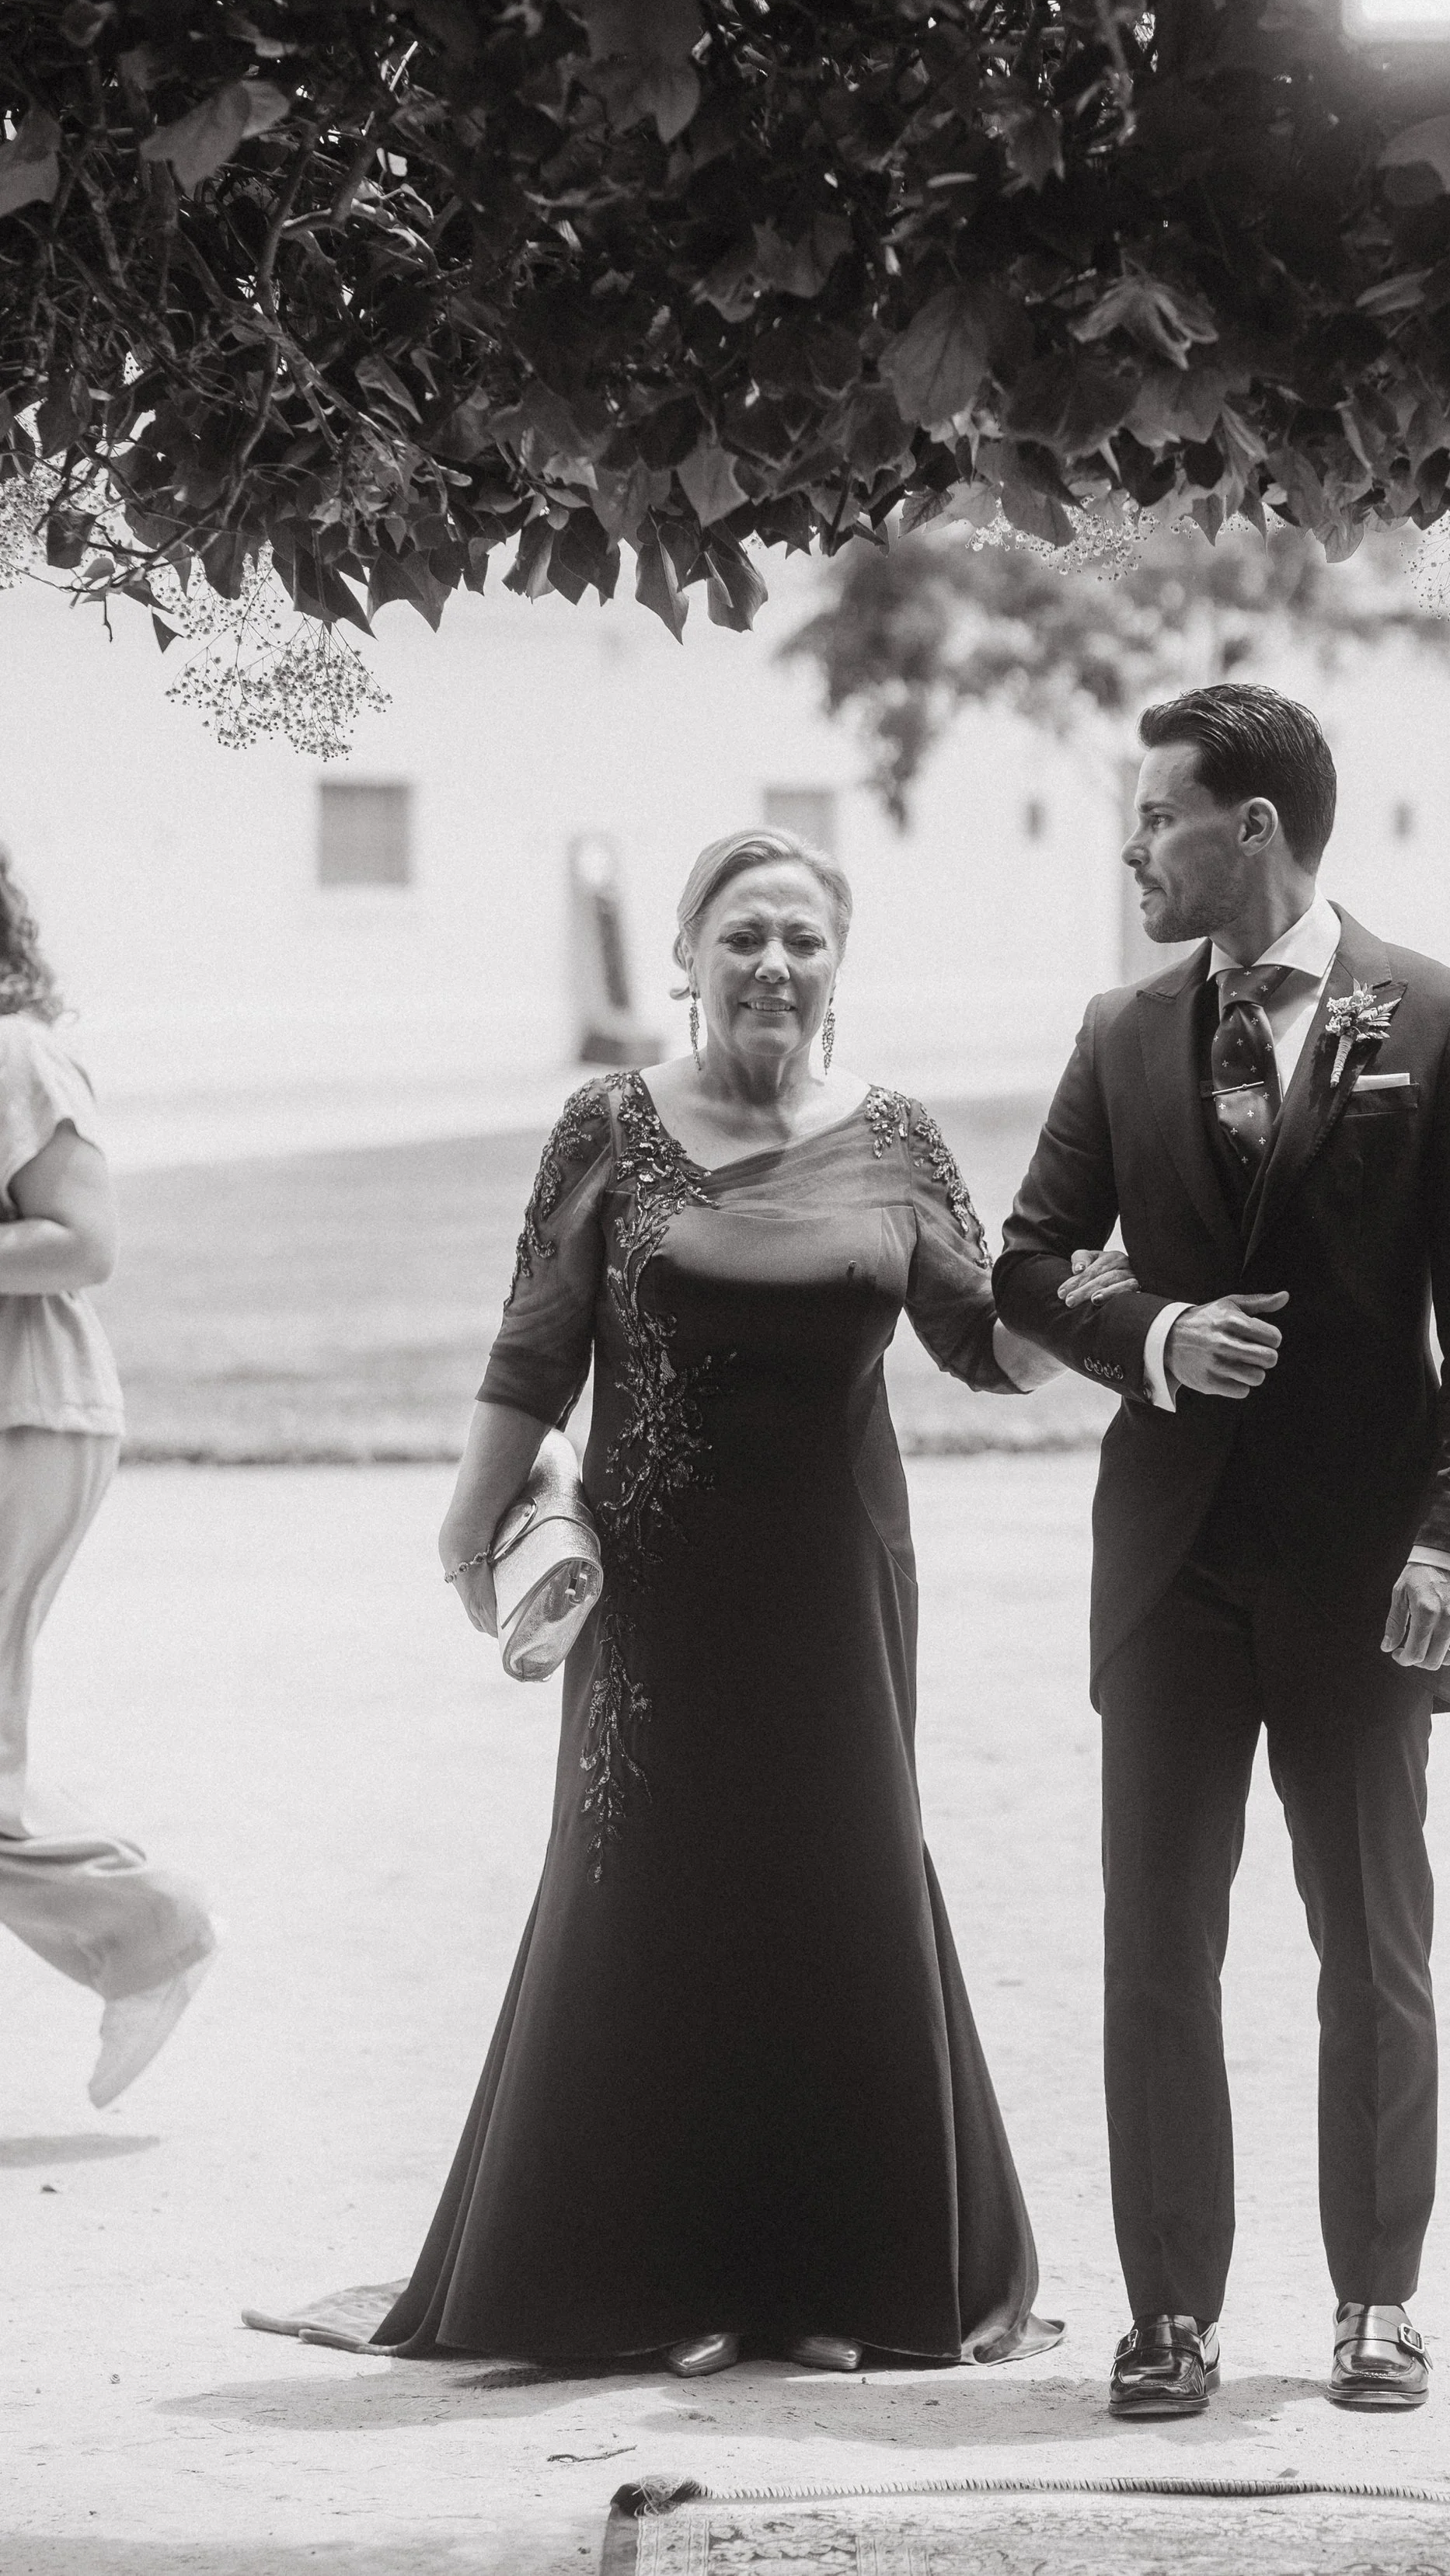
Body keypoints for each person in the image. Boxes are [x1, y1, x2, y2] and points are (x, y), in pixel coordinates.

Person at [364, 827, 1063, 2368]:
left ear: (838, 967)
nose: (772, 964)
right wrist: (466, 1532)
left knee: (835, 1884)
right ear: (685, 957)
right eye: (740, 935)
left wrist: (1107, 1291)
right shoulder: (607, 1123)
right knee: (653, 1900)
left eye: (802, 940)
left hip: (836, 1581)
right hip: (657, 1592)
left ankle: (836, 2285)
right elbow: (532, 1349)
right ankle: (649, 2284)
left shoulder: (896, 1139)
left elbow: (987, 1346)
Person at [992, 683, 1450, 2421]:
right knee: (1155, 1945)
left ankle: (1375, 2304)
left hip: (1370, 1569)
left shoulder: (1441, 1021)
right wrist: (1151, 1334)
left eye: (1157, 815)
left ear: (1252, 830)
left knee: (1369, 1943)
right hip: (1167, 1570)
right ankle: (1168, 2315)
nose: (1134, 845)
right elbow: (1028, 1262)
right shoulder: (1116, 1027)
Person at [0, 849, 217, 2107]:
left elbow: (85, 1239)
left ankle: (153, 1926)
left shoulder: (16, 1048)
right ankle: (145, 1928)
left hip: (32, 1417)